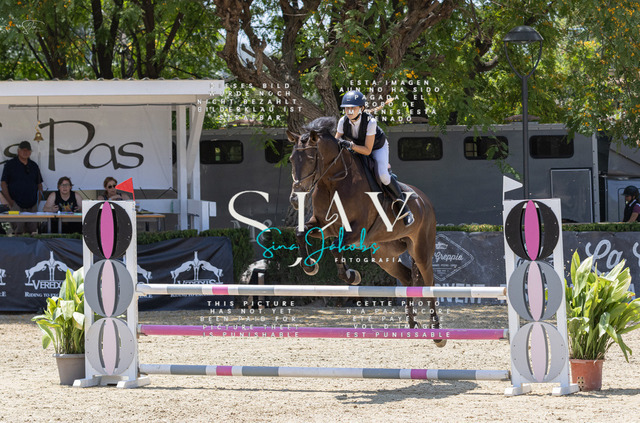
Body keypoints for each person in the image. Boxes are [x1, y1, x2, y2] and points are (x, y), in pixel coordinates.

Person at [335, 90, 413, 226]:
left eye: (353, 108)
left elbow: (367, 150)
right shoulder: (342, 121)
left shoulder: (370, 122)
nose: (349, 111)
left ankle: (404, 209)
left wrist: (350, 145)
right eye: (347, 108)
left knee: (383, 176)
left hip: (376, 148)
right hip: (355, 147)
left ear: (361, 108)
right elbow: (336, 141)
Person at [1, 141, 44, 234]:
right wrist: (10, 202)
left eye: (28, 150)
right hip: (16, 204)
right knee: (18, 230)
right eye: (23, 150)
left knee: (33, 232)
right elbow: (3, 184)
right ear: (18, 151)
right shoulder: (10, 165)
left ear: (30, 152)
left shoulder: (34, 165)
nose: (25, 152)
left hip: (32, 205)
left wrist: (37, 202)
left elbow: (40, 185)